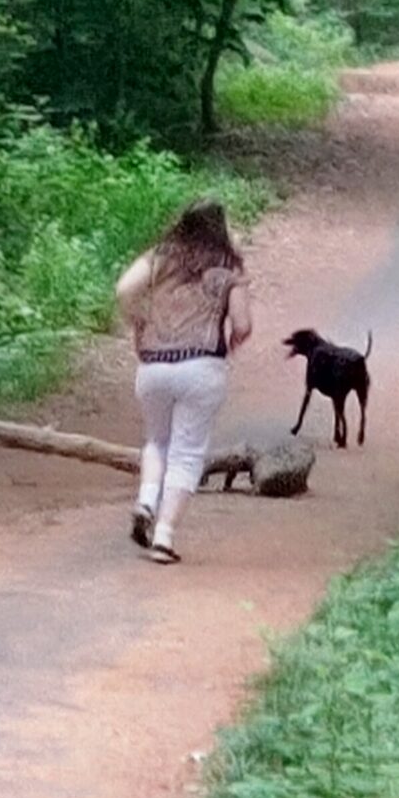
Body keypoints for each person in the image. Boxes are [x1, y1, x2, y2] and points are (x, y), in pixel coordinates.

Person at [113, 200, 252, 563]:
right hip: (202, 367)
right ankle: (164, 536)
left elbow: (124, 289)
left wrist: (138, 321)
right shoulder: (229, 266)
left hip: (154, 365)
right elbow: (242, 324)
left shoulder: (159, 257)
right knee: (187, 453)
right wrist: (234, 338)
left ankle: (146, 501)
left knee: (156, 441)